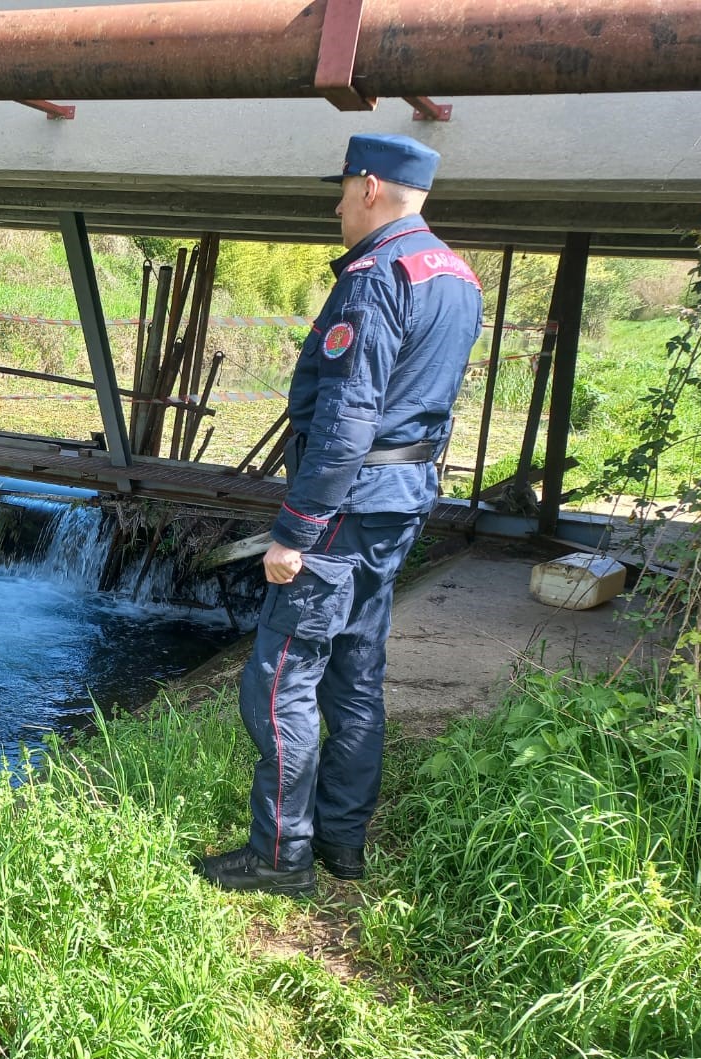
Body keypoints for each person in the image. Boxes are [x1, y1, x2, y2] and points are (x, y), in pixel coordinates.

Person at [198, 133, 484, 896]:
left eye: (342, 190)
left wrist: (294, 530)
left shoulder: (374, 276)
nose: (336, 207)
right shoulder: (457, 275)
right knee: (355, 671)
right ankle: (341, 843)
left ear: (370, 188)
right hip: (400, 500)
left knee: (280, 677)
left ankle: (280, 855)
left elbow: (347, 417)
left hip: (345, 505)